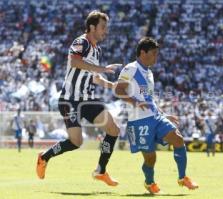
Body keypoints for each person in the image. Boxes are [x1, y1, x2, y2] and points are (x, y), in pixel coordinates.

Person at [36, 10, 121, 186]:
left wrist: (111, 85)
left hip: (88, 100)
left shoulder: (97, 50)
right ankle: (44, 157)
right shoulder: (81, 42)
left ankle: (100, 171)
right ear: (92, 27)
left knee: (113, 129)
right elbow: (75, 61)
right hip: (70, 100)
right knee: (76, 142)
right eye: (103, 27)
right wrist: (101, 68)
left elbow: (95, 77)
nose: (106, 31)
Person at [114, 37, 198, 194]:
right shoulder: (130, 68)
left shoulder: (150, 73)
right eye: (153, 53)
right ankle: (149, 182)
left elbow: (149, 100)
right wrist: (136, 103)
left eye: (157, 54)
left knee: (178, 138)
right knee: (150, 158)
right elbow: (119, 91)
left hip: (155, 117)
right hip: (139, 121)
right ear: (143, 52)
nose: (156, 57)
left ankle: (182, 177)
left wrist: (164, 114)